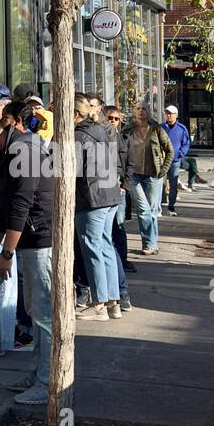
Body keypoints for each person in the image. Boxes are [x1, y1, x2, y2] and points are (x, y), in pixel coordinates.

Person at [0, 100, 54, 405]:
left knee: (42, 313)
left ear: (12, 123)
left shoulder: (26, 150)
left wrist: (6, 252)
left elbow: (21, 203)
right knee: (36, 309)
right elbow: (4, 205)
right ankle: (39, 372)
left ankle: (47, 380)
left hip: (40, 236)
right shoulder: (17, 151)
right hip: (31, 236)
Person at [74, 94, 124, 322]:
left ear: (74, 114)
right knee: (104, 246)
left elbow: (68, 171)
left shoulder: (78, 135)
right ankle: (113, 302)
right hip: (110, 195)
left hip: (92, 197)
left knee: (93, 248)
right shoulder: (101, 130)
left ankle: (99, 305)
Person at [122, 103, 174, 255]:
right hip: (133, 175)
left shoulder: (156, 129)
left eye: (143, 109)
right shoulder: (128, 130)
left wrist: (163, 170)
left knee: (151, 211)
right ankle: (149, 244)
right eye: (138, 109)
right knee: (143, 209)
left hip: (153, 175)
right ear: (134, 112)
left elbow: (170, 150)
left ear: (148, 112)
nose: (141, 111)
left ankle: (151, 243)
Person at [105, 102, 134, 305]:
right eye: (110, 118)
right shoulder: (102, 138)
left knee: (118, 228)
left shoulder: (124, 139)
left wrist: (124, 184)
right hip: (106, 191)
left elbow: (129, 164)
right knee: (109, 235)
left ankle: (122, 261)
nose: (113, 121)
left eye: (116, 119)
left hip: (118, 189)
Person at [163, 104, 191, 215]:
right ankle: (158, 206)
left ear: (176, 115)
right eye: (167, 113)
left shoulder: (181, 129)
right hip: (161, 161)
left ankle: (171, 206)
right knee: (160, 183)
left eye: (171, 114)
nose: (169, 116)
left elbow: (186, 143)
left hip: (175, 161)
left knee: (173, 184)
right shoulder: (160, 128)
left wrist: (180, 154)